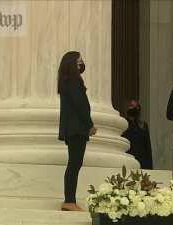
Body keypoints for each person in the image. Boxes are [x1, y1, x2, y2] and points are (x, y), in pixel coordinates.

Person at [57, 51, 97, 211]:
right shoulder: (73, 81)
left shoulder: (68, 80)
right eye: (78, 60)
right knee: (74, 164)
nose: (81, 62)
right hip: (77, 128)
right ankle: (69, 201)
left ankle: (70, 200)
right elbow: (80, 105)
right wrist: (89, 125)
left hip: (73, 128)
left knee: (74, 163)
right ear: (71, 63)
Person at [122, 100, 153, 169]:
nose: (131, 108)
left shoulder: (143, 125)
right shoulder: (123, 124)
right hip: (128, 159)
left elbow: (147, 146)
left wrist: (150, 166)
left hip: (142, 161)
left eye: (134, 106)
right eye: (130, 106)